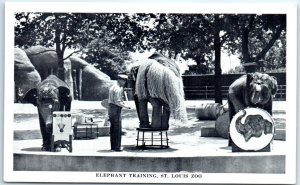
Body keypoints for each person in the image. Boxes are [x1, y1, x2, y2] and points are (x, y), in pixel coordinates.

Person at [108, 74, 131, 151]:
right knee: (117, 129)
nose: (125, 83)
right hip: (115, 109)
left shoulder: (113, 87)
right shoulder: (117, 89)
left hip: (111, 109)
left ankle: (113, 146)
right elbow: (117, 102)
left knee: (113, 129)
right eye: (124, 81)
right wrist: (126, 107)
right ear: (121, 80)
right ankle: (117, 147)